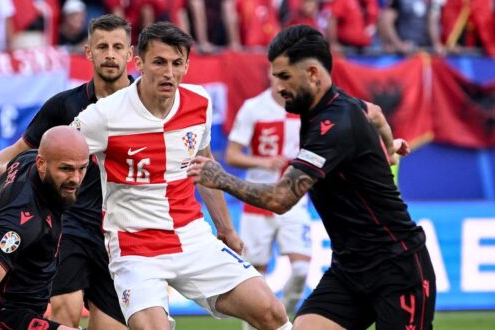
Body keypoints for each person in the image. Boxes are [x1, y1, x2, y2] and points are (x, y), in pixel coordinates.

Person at [188, 25, 436, 330]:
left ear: (313, 74)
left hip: (397, 269)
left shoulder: (334, 126)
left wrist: (222, 178)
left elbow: (280, 199)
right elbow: (375, 112)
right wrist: (390, 149)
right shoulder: (336, 107)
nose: (278, 88)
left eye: (284, 77)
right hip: (349, 271)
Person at [71, 21, 290, 330]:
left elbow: (205, 166)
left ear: (187, 64)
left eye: (177, 63)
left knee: (272, 312)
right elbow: (58, 154)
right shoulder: (105, 114)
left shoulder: (199, 103)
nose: (168, 72)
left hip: (191, 235)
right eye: (159, 62)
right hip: (135, 245)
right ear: (140, 63)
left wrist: (226, 229)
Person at [0, 14, 132, 330]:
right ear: (88, 52)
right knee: (66, 309)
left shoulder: (145, 106)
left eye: (118, 47)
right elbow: (21, 149)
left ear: (130, 54)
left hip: (117, 233)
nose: (110, 54)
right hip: (70, 225)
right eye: (102, 46)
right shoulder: (64, 106)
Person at [0, 126, 89, 330]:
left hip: (29, 312)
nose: (76, 179)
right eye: (66, 169)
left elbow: (0, 171)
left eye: (82, 168)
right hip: (5, 317)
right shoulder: (20, 222)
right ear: (42, 164)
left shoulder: (26, 161)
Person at [226, 74, 312, 322]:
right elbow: (232, 155)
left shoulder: (305, 107)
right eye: (277, 74)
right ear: (269, 75)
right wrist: (261, 161)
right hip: (257, 201)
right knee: (254, 279)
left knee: (301, 268)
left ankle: (281, 317)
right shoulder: (254, 108)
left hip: (293, 199)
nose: (281, 81)